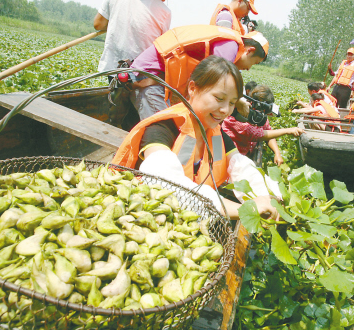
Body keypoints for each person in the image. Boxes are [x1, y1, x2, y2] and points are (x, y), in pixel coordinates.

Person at [112, 56, 279, 220]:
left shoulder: (215, 135)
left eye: (232, 103)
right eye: (219, 99)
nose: (225, 110)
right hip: (146, 214)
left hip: (191, 216)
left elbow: (241, 167)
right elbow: (164, 180)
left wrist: (265, 195)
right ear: (193, 88)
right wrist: (243, 209)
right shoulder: (164, 128)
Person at [128, 25, 269, 122]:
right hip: (149, 77)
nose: (249, 68)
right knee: (164, 130)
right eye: (254, 63)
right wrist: (238, 102)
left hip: (156, 79)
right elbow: (217, 83)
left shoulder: (229, 42)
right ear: (249, 51)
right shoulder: (230, 46)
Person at [94, 0, 190, 74]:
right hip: (140, 75)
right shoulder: (164, 11)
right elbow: (161, 48)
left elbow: (98, 24)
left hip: (112, 69)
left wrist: (119, 22)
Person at [222, 84, 304, 165]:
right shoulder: (238, 115)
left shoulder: (260, 114)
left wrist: (277, 153)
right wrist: (288, 130)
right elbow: (257, 135)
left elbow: (269, 132)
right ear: (254, 104)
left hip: (247, 155)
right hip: (230, 158)